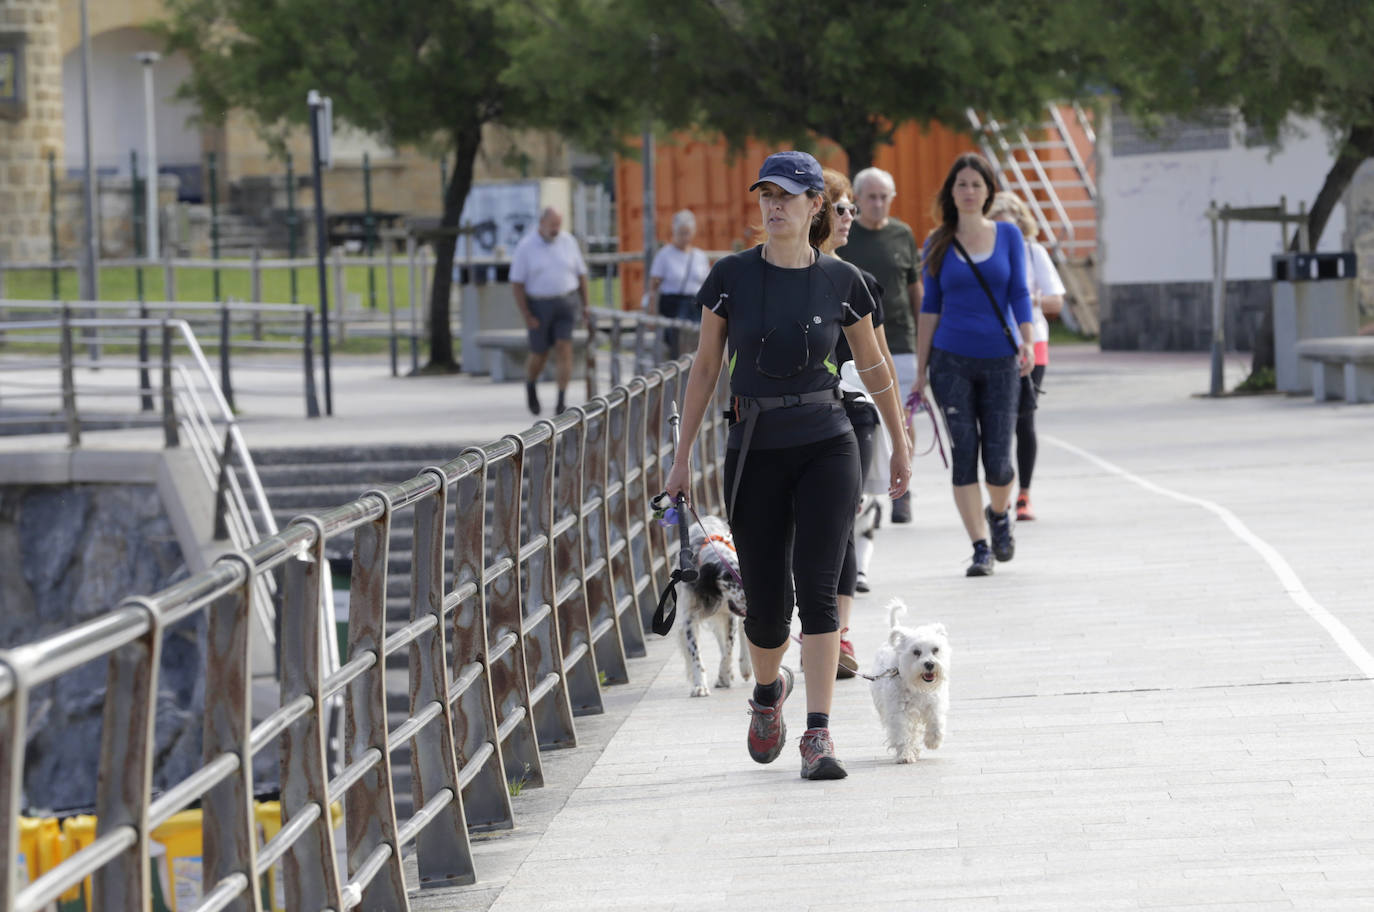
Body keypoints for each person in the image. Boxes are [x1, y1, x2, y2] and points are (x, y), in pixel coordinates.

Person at [665, 150, 911, 780]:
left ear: (814, 207)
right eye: (766, 195)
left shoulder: (843, 282)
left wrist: (901, 440)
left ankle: (819, 736)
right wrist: (681, 457)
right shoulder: (731, 277)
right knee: (768, 605)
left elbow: (875, 367)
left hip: (829, 440)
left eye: (787, 195)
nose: (774, 205)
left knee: (822, 589)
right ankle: (769, 692)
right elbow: (704, 369)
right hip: (754, 446)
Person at [915, 154, 1034, 577]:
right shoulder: (937, 242)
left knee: (1000, 460)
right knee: (965, 453)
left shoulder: (1008, 236)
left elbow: (1019, 291)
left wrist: (1028, 338)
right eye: (961, 184)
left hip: (1001, 360)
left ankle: (1000, 514)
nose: (968, 192)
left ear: (989, 192)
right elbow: (930, 307)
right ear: (951, 192)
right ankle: (980, 546)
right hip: (950, 361)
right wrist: (920, 369)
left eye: (976, 185)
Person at [821, 167, 900, 678]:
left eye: (853, 207)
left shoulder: (862, 282)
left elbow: (882, 361)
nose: (850, 216)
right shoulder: (782, 280)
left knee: (844, 519)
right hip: (805, 412)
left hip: (858, 412)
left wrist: (902, 429)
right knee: (810, 524)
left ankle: (839, 634)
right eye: (842, 208)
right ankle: (816, 621)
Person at [838, 167, 922, 523]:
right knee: (863, 416)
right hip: (851, 344)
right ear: (856, 201)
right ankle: (860, 490)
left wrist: (925, 341)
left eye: (883, 196)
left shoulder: (902, 234)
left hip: (899, 338)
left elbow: (915, 289)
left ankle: (902, 486)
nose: (876, 203)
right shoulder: (845, 235)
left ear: (892, 198)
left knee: (901, 412)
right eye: (869, 197)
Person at [987, 192, 1066, 522]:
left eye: (1011, 226)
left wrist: (1026, 299)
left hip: (1033, 343)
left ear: (1022, 226)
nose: (1005, 233)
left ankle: (1024, 495)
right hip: (993, 345)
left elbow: (1055, 303)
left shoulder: (1034, 254)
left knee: (1023, 418)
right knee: (997, 420)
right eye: (998, 225)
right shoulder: (986, 254)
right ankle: (1000, 491)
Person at [510, 206, 590, 416]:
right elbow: (517, 284)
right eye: (552, 225)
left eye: (558, 225)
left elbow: (581, 275)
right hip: (539, 304)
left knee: (565, 348)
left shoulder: (568, 242)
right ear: (542, 223)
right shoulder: (526, 246)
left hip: (566, 301)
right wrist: (526, 314)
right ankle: (531, 383)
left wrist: (585, 305)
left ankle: (561, 399)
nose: (556, 229)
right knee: (540, 353)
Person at [648, 209, 711, 357]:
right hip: (673, 305)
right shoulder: (664, 255)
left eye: (687, 232)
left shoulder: (699, 256)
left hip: (695, 306)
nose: (685, 237)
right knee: (677, 346)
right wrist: (652, 313)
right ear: (674, 232)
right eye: (681, 233)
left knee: (698, 344)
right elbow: (653, 287)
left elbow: (708, 285)